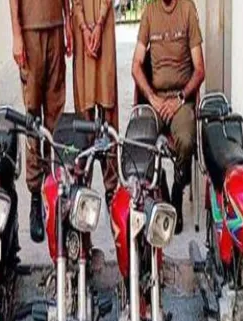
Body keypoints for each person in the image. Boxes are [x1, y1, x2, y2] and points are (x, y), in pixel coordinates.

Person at [131, 0, 205, 234]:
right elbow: (136, 65)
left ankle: (177, 188)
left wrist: (180, 99)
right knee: (139, 141)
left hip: (181, 99)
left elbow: (200, 69)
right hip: (156, 99)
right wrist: (152, 98)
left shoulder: (187, 9)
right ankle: (156, 185)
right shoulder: (150, 12)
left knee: (186, 140)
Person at [8, 0, 73, 243]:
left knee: (56, 114)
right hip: (30, 31)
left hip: (56, 27)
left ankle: (55, 190)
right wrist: (17, 34)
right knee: (33, 118)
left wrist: (67, 22)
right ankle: (36, 194)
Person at [72, 0, 119, 206]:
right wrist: (84, 28)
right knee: (84, 108)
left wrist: (99, 24)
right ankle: (83, 183)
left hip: (104, 25)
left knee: (108, 108)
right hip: (81, 29)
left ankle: (111, 187)